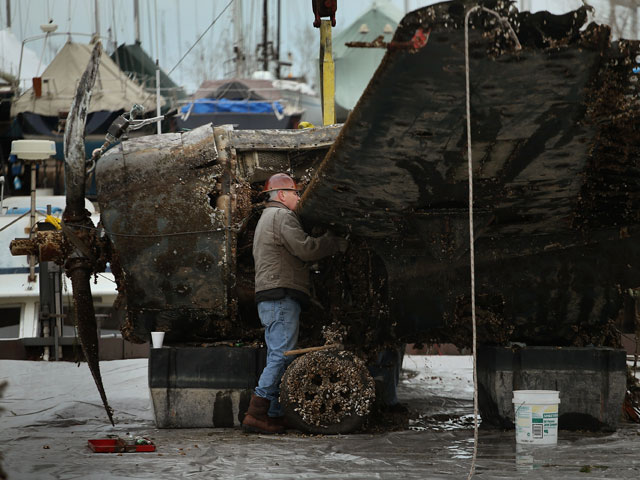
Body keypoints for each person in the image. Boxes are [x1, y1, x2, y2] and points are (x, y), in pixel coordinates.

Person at [242, 173, 348, 434]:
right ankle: (256, 414)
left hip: (272, 296)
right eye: (295, 193)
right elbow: (306, 249)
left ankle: (276, 414)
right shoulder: (281, 216)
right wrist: (334, 241)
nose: (299, 198)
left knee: (281, 355)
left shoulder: (267, 219)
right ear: (281, 195)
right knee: (280, 356)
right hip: (280, 296)